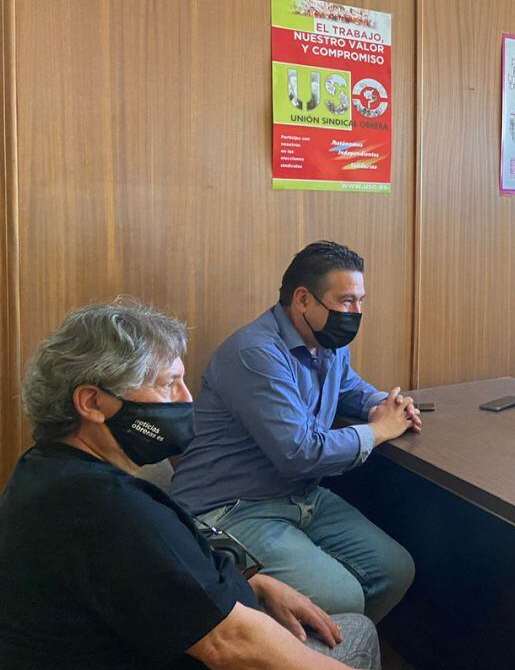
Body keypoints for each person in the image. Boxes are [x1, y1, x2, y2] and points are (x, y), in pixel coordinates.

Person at [0, 299, 380, 670]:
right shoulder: (109, 508)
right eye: (169, 385)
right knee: (357, 636)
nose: (187, 399)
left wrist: (257, 583)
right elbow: (231, 643)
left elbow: (158, 571)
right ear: (92, 403)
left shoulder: (46, 470)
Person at [171, 241, 418, 620]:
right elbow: (299, 453)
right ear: (303, 300)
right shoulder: (255, 352)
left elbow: (350, 388)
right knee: (342, 598)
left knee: (395, 568)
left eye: (361, 301)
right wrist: (380, 430)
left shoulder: (326, 344)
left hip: (300, 498)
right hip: (231, 509)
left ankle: (336, 648)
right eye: (347, 301)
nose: (356, 312)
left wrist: (385, 404)